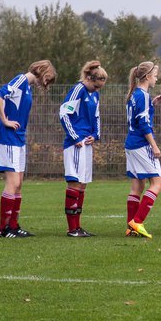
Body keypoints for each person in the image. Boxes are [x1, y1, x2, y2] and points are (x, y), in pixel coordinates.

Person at [0, 60, 58, 237]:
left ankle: (13, 225)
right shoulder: (21, 80)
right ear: (41, 71)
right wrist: (5, 120)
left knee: (19, 184)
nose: (46, 84)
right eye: (47, 79)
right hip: (8, 139)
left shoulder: (27, 86)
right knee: (12, 183)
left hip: (19, 139)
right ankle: (3, 228)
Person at [59, 60, 106, 237]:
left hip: (87, 142)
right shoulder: (78, 90)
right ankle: (72, 228)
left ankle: (78, 227)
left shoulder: (95, 95)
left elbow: (96, 116)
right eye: (96, 85)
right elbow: (64, 113)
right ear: (88, 78)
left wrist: (95, 134)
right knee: (75, 182)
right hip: (75, 144)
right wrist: (75, 136)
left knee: (83, 184)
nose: (97, 89)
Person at [125, 61, 161, 238]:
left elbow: (138, 117)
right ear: (147, 76)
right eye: (155, 75)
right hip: (141, 144)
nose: (156, 78)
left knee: (137, 186)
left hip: (131, 144)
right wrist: (154, 146)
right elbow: (143, 123)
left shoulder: (135, 94)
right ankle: (137, 221)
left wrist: (152, 105)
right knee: (157, 183)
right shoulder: (142, 96)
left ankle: (130, 226)